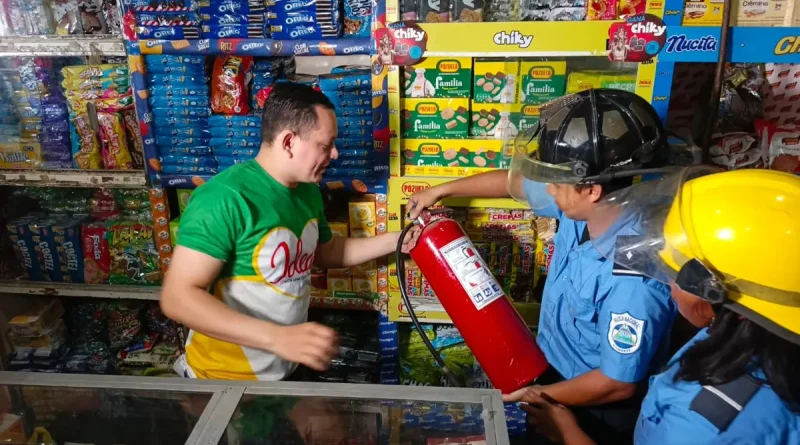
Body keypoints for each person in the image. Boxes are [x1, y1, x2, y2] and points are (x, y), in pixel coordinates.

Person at [408, 89, 678, 444]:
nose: (547, 189)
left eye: (555, 181)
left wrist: (536, 397)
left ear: (592, 189)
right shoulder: (585, 208)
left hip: (593, 409)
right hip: (549, 371)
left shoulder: (632, 277)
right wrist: (441, 190)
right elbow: (512, 183)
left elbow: (617, 383)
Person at [506, 167, 800, 444]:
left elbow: (619, 382)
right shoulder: (746, 336)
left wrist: (569, 434)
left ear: (714, 290)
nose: (666, 285)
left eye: (673, 271)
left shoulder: (700, 422)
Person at [161, 82, 419, 381]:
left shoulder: (307, 191)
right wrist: (278, 338)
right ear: (288, 142)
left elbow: (324, 251)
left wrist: (397, 240)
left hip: (283, 370)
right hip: (222, 379)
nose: (334, 154)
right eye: (326, 145)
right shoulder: (225, 197)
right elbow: (178, 298)